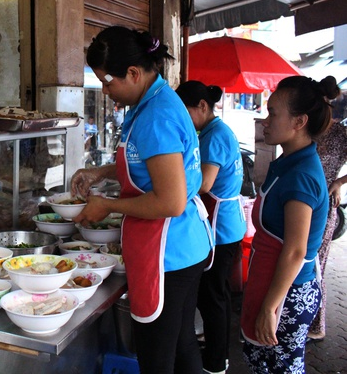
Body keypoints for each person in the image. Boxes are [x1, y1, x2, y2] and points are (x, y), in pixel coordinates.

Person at [71, 26, 212, 374]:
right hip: (184, 245)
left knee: (157, 358)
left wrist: (107, 205)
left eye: (107, 81)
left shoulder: (156, 116)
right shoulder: (150, 101)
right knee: (181, 346)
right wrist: (102, 173)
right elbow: (147, 165)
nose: (105, 90)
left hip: (169, 250)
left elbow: (171, 201)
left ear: (134, 73)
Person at [240, 75, 336, 373]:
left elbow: (296, 251)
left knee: (281, 368)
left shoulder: (302, 175)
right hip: (271, 283)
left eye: (273, 113)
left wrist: (270, 307)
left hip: (288, 294)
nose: (265, 121)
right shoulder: (289, 162)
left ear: (299, 121)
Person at [176, 81, 247, 374]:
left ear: (202, 107)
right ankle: (217, 351)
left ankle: (217, 362)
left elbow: (204, 183)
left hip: (222, 228)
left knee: (213, 298)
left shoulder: (214, 136)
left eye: (185, 112)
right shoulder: (213, 131)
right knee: (217, 295)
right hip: (227, 225)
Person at [308, 76, 347, 342]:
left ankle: (316, 324)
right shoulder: (306, 128)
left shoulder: (341, 133)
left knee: (316, 266)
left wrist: (339, 182)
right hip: (301, 201)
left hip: (323, 208)